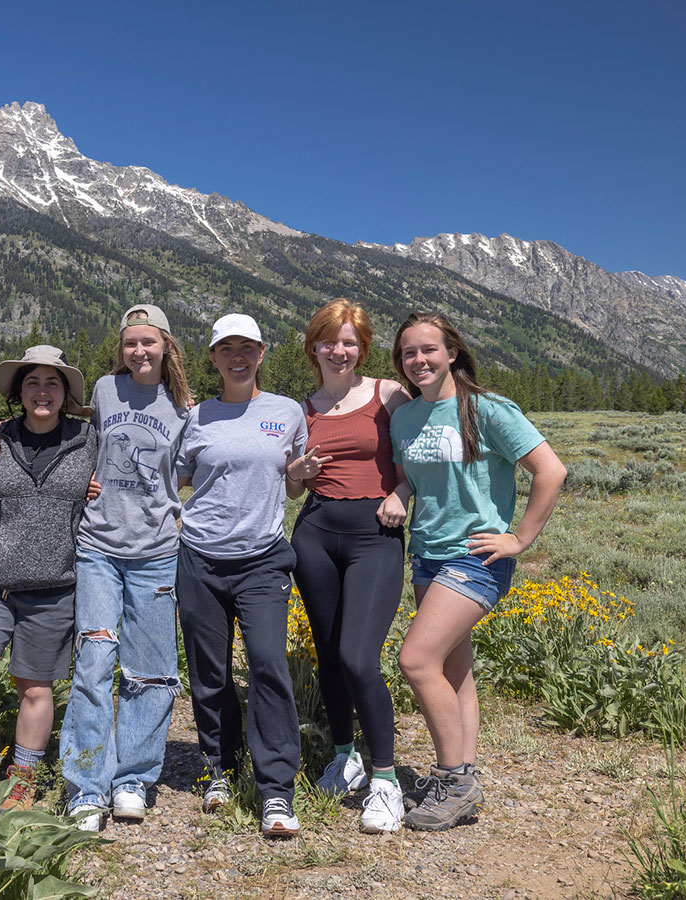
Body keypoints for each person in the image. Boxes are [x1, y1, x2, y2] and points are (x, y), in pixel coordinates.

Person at [389, 312, 566, 832]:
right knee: (452, 668)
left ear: (452, 353)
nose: (418, 361)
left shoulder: (486, 409)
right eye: (407, 353)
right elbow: (410, 480)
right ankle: (461, 773)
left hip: (476, 557)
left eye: (428, 350)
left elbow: (551, 470)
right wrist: (400, 495)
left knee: (416, 660)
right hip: (427, 553)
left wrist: (521, 538)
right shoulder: (405, 418)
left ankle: (454, 780)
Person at [0, 345, 99, 811]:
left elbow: (120, 477)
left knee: (35, 686)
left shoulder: (89, 439)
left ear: (66, 393)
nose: (42, 391)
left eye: (53, 382)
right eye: (33, 382)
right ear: (19, 391)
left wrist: (100, 488)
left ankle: (22, 774)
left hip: (54, 585)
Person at [174, 313, 308, 838]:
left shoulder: (287, 412)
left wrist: (299, 476)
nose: (237, 357)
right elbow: (179, 479)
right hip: (200, 557)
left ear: (262, 353)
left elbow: (295, 484)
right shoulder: (198, 415)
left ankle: (277, 790)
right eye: (225, 348)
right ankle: (219, 768)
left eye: (246, 348)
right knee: (210, 671)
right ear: (212, 357)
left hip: (262, 558)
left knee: (269, 664)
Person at [60, 304, 191, 832]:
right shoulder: (104, 389)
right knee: (93, 660)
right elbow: (80, 438)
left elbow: (193, 471)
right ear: (122, 347)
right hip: (98, 547)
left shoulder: (184, 406)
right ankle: (88, 785)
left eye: (149, 343)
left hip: (157, 549)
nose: (139, 351)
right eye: (131, 343)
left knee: (152, 668)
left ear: (165, 347)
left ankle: (133, 777)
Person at [285, 299, 412, 833]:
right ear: (314, 346)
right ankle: (345, 756)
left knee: (359, 657)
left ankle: (386, 781)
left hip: (375, 534)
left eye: (350, 342)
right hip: (315, 532)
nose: (340, 351)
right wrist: (296, 470)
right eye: (330, 341)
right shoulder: (301, 408)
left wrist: (402, 490)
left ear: (363, 348)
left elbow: (417, 456)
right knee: (330, 655)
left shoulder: (388, 394)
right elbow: (292, 488)